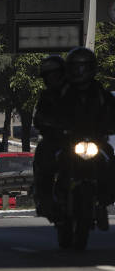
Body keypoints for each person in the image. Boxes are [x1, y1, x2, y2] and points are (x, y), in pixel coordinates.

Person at [56, 47, 115, 227]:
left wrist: (109, 126)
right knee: (55, 159)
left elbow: (111, 111)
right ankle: (56, 198)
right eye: (77, 67)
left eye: (84, 67)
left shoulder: (100, 92)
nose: (80, 72)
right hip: (71, 141)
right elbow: (52, 111)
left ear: (92, 69)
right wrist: (53, 126)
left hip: (96, 140)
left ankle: (104, 200)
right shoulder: (65, 92)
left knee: (109, 158)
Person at [32, 54, 67, 219]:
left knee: (106, 153)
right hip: (57, 140)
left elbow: (101, 110)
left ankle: (106, 193)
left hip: (82, 139)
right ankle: (43, 199)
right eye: (49, 75)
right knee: (42, 156)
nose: (53, 78)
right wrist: (47, 124)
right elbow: (38, 118)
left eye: (56, 74)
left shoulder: (81, 91)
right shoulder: (47, 96)